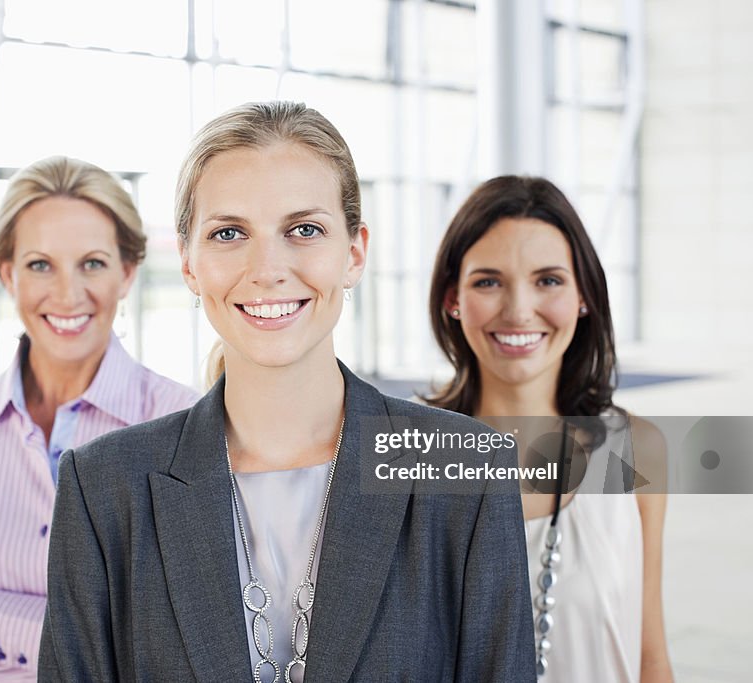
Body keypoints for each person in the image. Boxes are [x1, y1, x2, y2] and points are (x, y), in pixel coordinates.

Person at [39, 102, 536, 681]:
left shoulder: (463, 472)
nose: (268, 267)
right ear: (190, 265)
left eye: (304, 229)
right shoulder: (104, 488)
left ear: (354, 254)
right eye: (229, 233)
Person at [0, 156, 198, 680]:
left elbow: (173, 651)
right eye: (39, 264)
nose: (67, 294)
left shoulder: (184, 427)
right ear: (8, 274)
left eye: (92, 263)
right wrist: (90, 647)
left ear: (126, 273)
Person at [423, 175, 674, 681]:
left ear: (583, 295)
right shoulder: (408, 456)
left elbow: (648, 656)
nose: (518, 310)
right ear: (453, 298)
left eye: (549, 280)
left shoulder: (637, 451)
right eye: (488, 281)